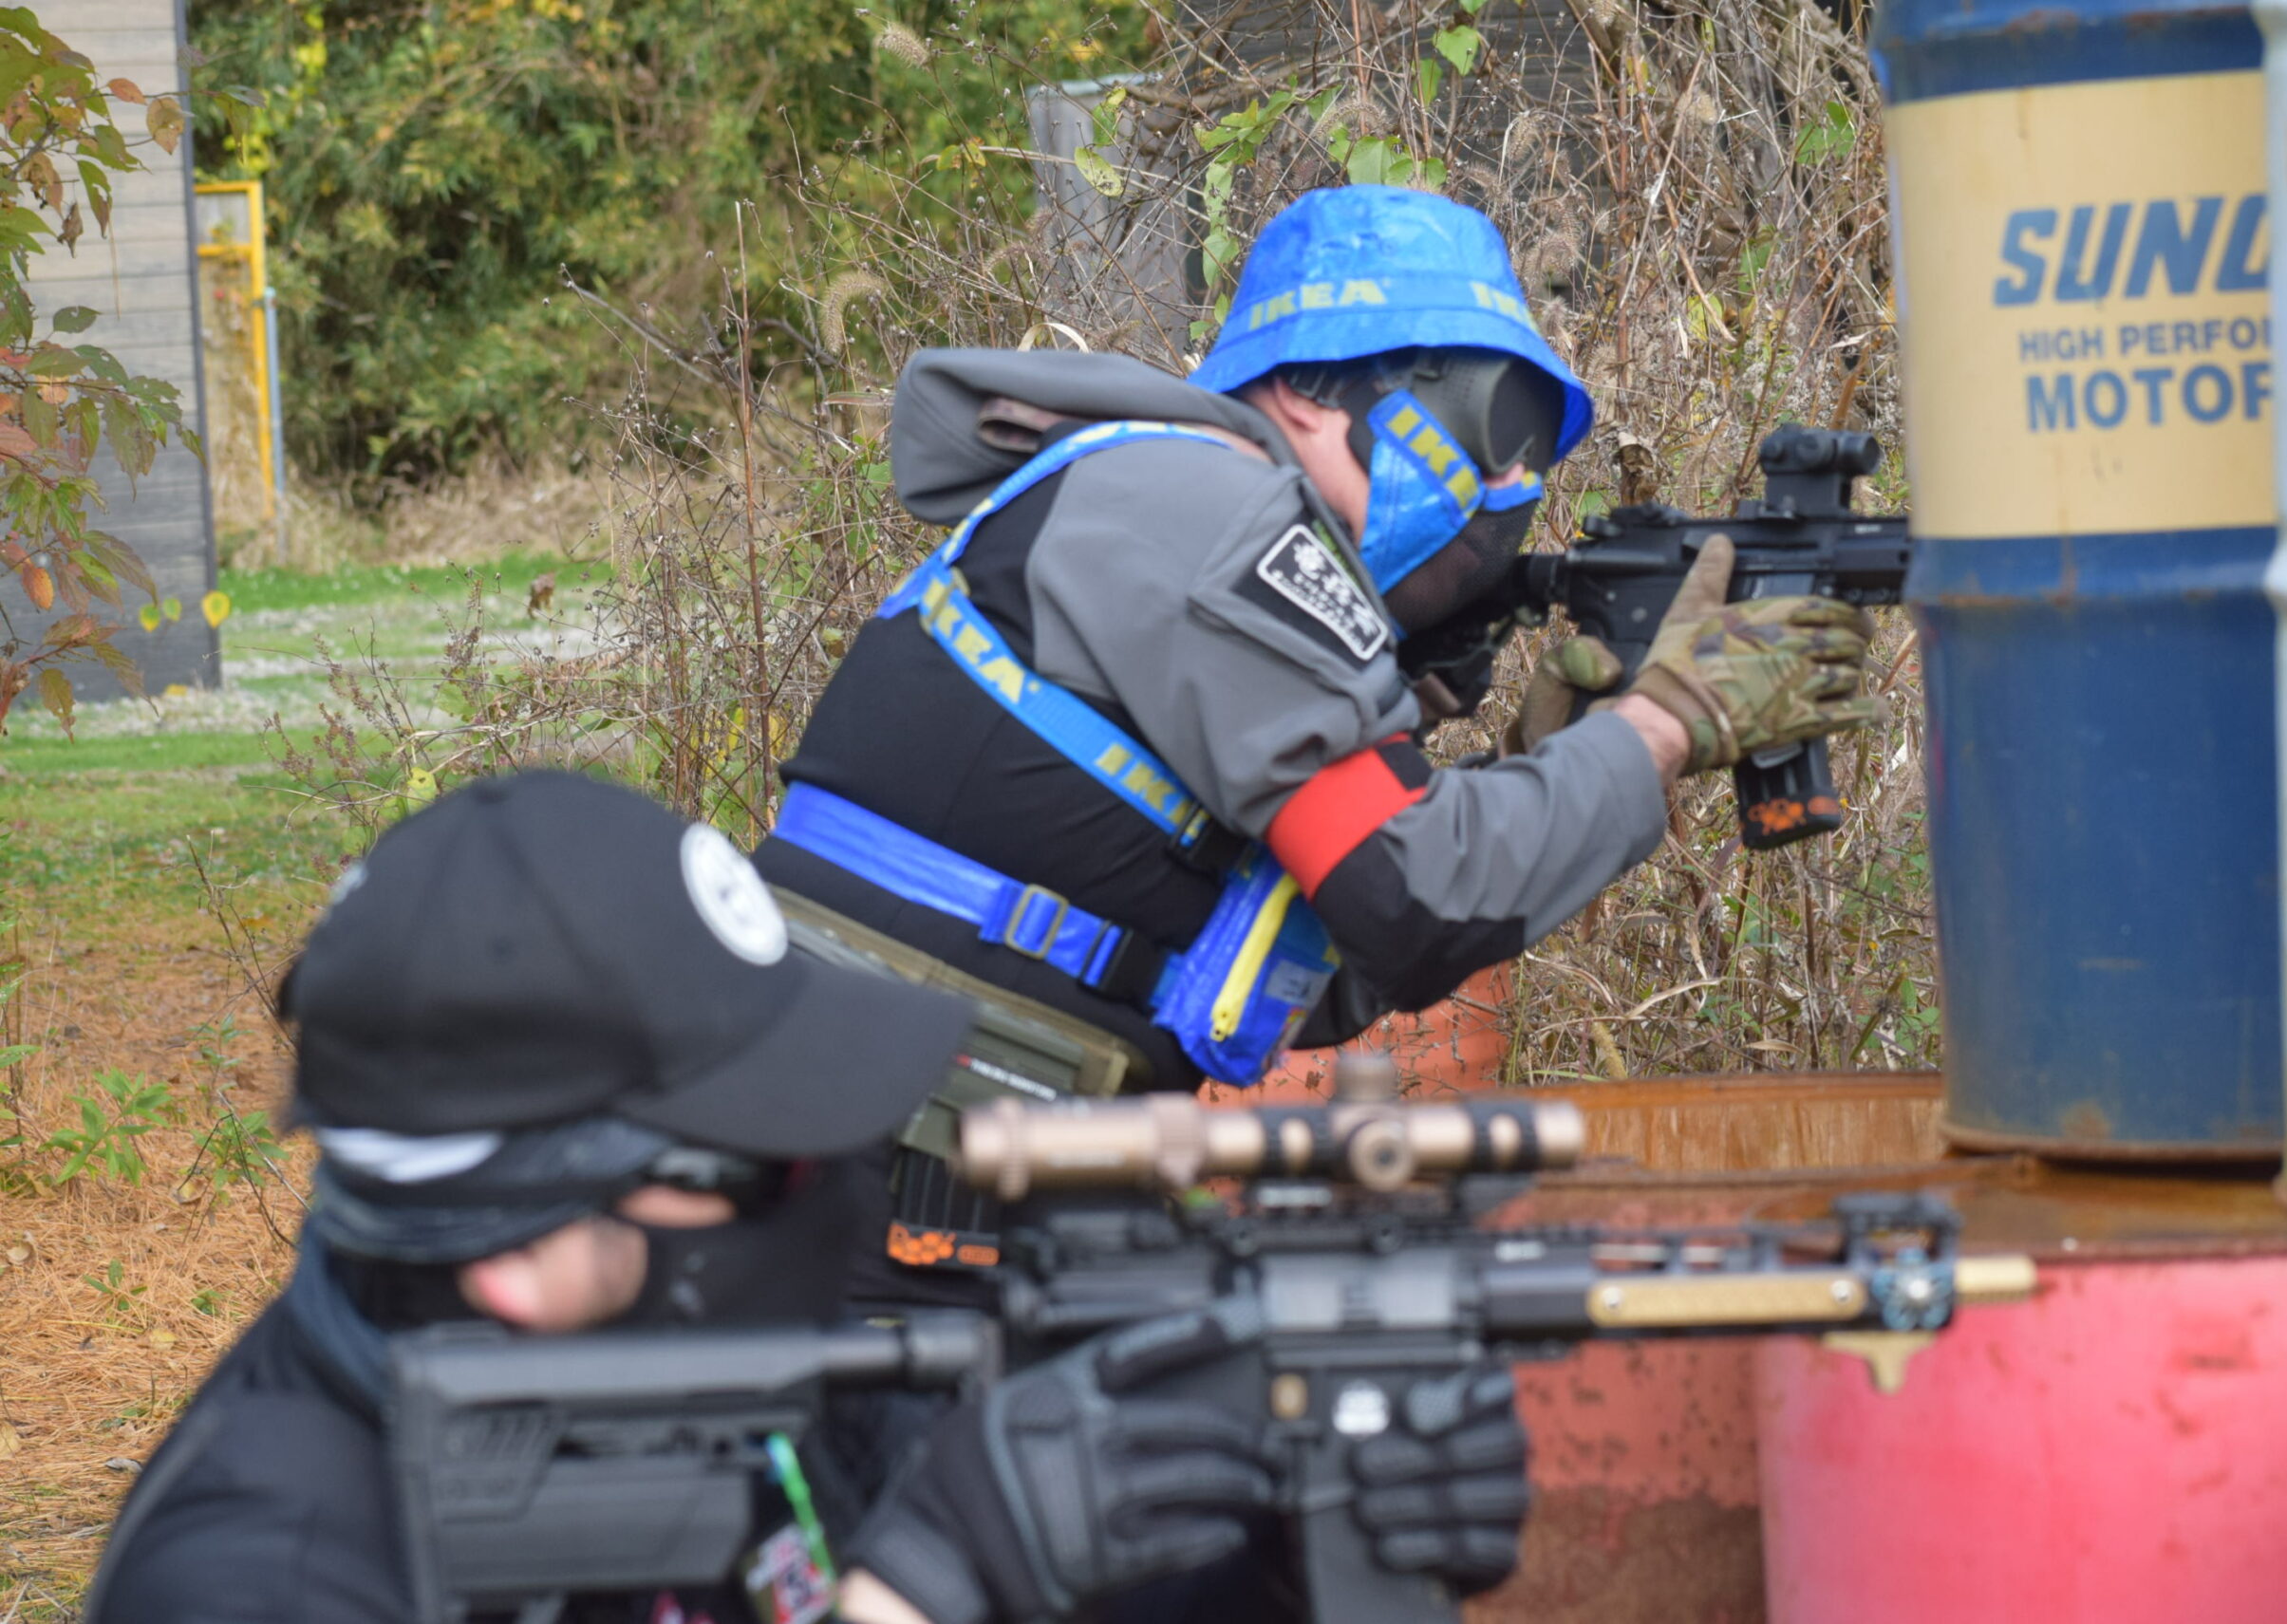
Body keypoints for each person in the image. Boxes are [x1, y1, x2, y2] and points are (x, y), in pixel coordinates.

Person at [752, 184, 1880, 1274]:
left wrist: (1545, 769)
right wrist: (1667, 722)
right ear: (1305, 388)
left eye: (1529, 450)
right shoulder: (1213, 509)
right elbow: (1415, 898)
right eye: (1490, 420)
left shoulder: (1149, 499)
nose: (1503, 484)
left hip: (891, 1140)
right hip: (881, 1161)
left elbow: (1314, 969)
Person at [86, 773, 1519, 1624]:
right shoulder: (262, 1576)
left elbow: (1031, 1549)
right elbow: (940, 1563)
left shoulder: (722, 1384)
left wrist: (1285, 1533)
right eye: (767, 1155)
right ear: (523, 1255)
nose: (833, 1184)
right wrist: (915, 1592)